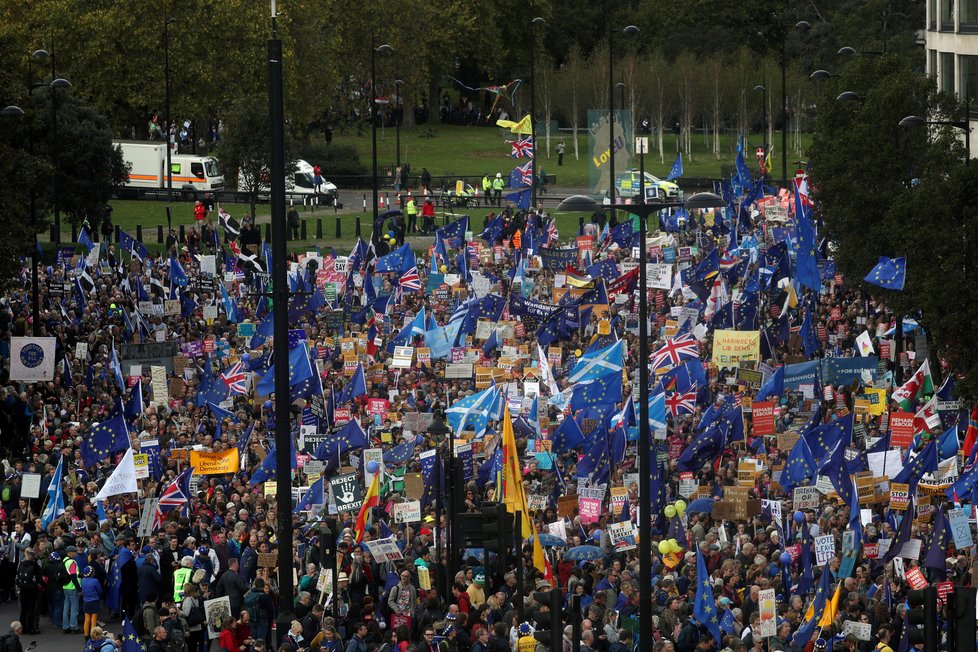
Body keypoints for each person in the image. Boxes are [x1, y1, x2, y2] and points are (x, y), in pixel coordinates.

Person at [14, 548, 40, 635]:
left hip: (23, 590)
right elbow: (39, 578)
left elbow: (17, 576)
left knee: (23, 609)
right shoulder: (35, 565)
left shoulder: (21, 564)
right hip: (32, 590)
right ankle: (31, 628)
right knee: (31, 609)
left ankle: (23, 628)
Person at [61, 545, 81, 634]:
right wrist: (79, 589)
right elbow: (73, 576)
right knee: (74, 608)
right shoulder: (72, 562)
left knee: (66, 607)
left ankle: (65, 626)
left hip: (65, 586)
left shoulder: (64, 560)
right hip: (72, 587)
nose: (76, 553)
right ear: (70, 552)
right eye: (75, 551)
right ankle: (74, 626)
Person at [80, 565, 103, 639]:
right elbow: (100, 590)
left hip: (86, 601)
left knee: (87, 619)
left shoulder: (82, 580)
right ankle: (93, 636)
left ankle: (86, 636)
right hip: (94, 601)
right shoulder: (95, 581)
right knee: (93, 620)